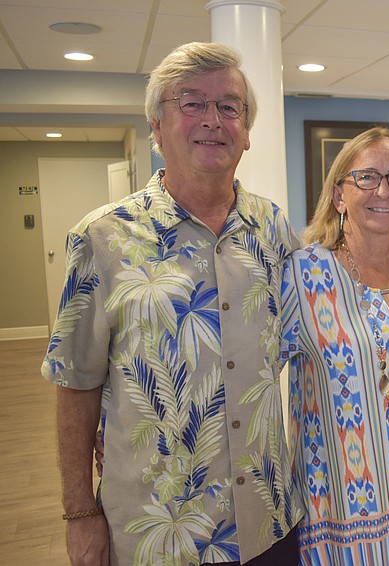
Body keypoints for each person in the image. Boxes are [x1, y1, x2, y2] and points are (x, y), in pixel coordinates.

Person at [41, 42, 304, 565]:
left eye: (229, 107)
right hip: (159, 537)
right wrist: (78, 514)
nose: (213, 119)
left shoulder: (272, 229)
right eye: (191, 103)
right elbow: (75, 383)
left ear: (247, 132)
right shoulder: (101, 238)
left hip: (268, 523)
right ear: (157, 129)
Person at [280, 127, 389, 564]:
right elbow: (253, 377)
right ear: (339, 195)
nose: (384, 190)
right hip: (340, 511)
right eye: (367, 177)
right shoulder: (302, 274)